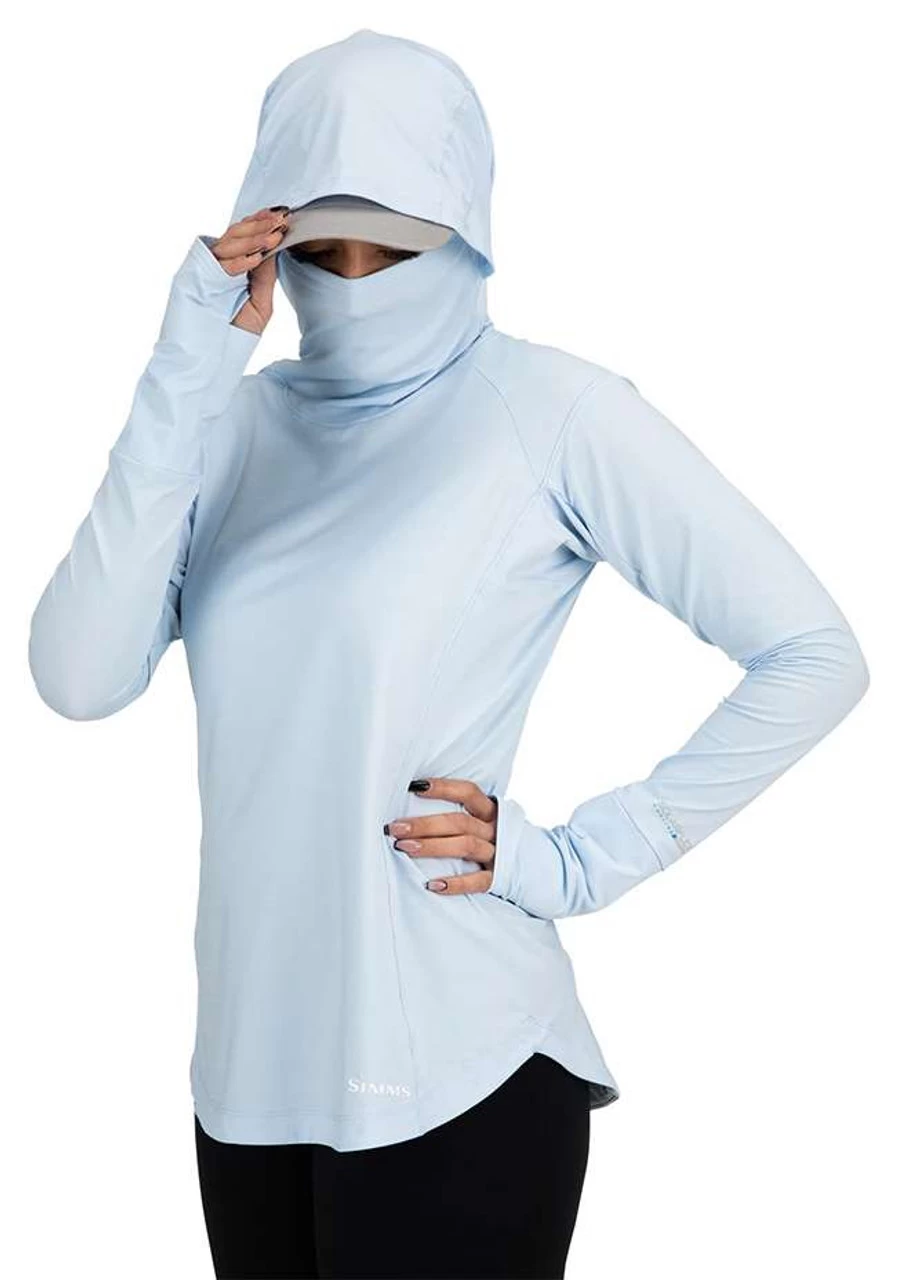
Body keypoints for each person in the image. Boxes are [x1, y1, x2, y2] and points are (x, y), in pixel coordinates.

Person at [27, 26, 870, 1280]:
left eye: (392, 241)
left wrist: (573, 857)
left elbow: (813, 651)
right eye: (320, 245)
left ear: (465, 229)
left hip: (461, 1073)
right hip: (248, 1075)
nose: (354, 276)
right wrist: (186, 361)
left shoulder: (551, 412)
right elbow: (78, 673)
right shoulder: (232, 424)